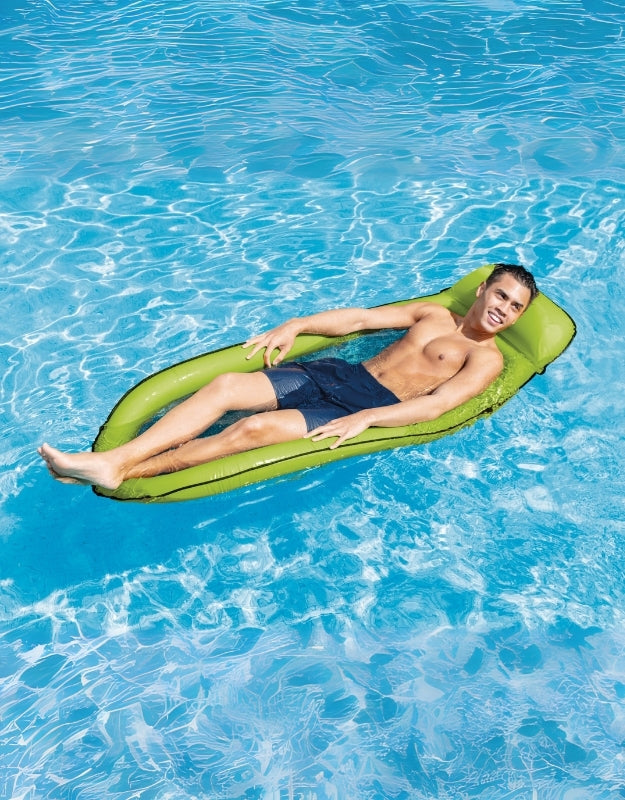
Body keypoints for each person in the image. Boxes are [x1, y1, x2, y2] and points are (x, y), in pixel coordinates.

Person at [38, 263, 538, 490]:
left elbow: (437, 405)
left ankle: (123, 471)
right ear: (480, 291)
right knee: (227, 387)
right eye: (500, 297)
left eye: (514, 308)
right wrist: (300, 324)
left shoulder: (486, 359)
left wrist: (368, 418)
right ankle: (113, 460)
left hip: (361, 404)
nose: (503, 310)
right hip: (340, 373)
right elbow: (361, 319)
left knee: (249, 430)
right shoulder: (433, 314)